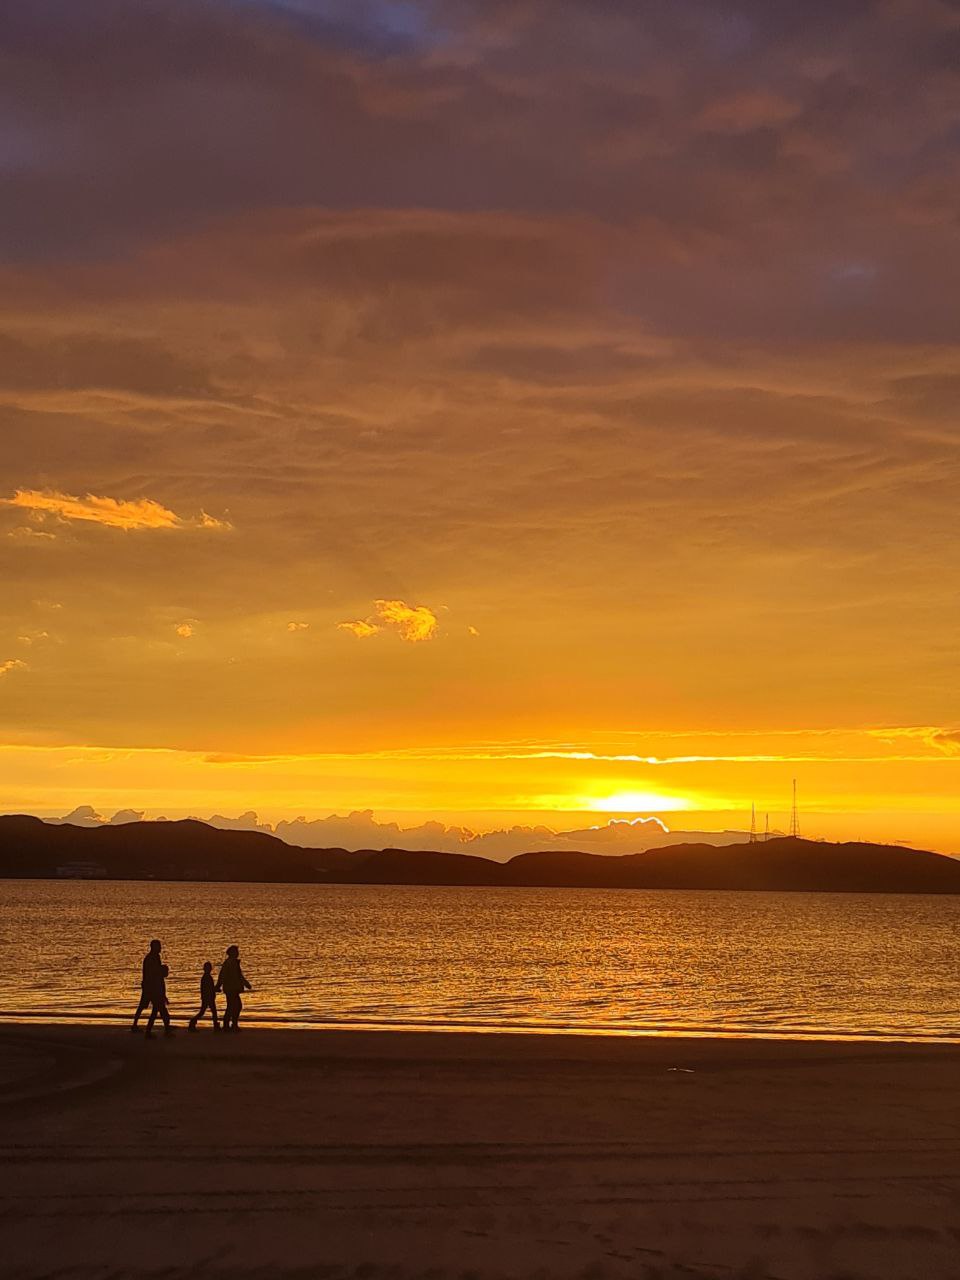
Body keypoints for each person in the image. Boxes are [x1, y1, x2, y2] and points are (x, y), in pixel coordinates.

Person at [216, 945, 252, 1033]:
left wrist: (246, 983)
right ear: (232, 953)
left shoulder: (234, 963)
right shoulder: (229, 963)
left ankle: (231, 1025)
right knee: (234, 1007)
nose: (237, 953)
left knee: (235, 1007)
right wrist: (218, 986)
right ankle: (229, 1025)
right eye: (236, 952)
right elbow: (222, 975)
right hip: (230, 988)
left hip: (233, 988)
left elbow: (239, 976)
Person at [131, 939, 163, 1032]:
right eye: (158, 946)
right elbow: (151, 973)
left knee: (156, 1006)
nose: (160, 948)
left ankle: (165, 1025)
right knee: (144, 1006)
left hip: (151, 985)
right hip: (149, 986)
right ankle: (136, 1025)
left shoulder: (156, 957)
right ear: (153, 947)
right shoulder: (150, 958)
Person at [188, 962, 220, 1032]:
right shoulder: (206, 977)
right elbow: (208, 988)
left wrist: (215, 990)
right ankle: (193, 1022)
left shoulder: (206, 977)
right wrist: (216, 989)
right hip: (208, 997)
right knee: (210, 1012)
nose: (209, 969)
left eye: (209, 968)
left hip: (207, 997)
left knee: (206, 1012)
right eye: (208, 968)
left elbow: (209, 988)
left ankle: (193, 1022)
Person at [145, 962, 174, 1038]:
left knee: (157, 1015)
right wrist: (162, 998)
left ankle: (149, 1031)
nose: (167, 973)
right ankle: (166, 1031)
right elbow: (159, 990)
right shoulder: (158, 980)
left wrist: (165, 998)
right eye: (166, 972)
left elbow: (161, 991)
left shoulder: (159, 979)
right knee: (164, 1016)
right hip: (158, 1000)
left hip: (158, 1000)